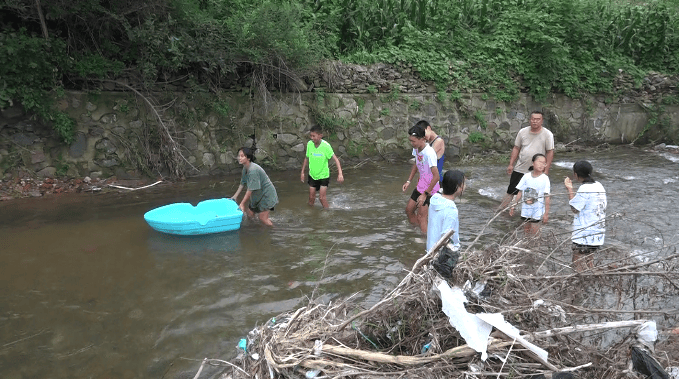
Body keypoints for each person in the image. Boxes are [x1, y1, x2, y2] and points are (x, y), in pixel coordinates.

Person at [500, 111, 554, 213]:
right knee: (511, 191)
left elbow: (550, 152)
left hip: (537, 170)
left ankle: (532, 215)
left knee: (535, 194)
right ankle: (502, 211)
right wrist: (511, 164)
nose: (535, 121)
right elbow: (516, 148)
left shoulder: (547, 134)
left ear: (542, 121)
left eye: (538, 119)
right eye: (533, 119)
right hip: (520, 167)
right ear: (530, 120)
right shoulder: (522, 132)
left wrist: (546, 170)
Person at [564, 160, 607, 272]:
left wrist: (569, 189)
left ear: (576, 174)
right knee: (589, 263)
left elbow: (575, 209)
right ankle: (590, 284)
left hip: (584, 233)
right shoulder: (599, 185)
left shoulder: (584, 188)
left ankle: (579, 286)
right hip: (597, 232)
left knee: (577, 264)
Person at [402, 124, 440, 234]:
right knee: (409, 210)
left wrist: (425, 194)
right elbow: (416, 163)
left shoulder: (429, 153)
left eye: (413, 141)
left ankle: (426, 244)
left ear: (422, 139)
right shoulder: (416, 149)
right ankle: (418, 233)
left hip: (430, 190)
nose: (411, 143)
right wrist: (409, 181)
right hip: (420, 186)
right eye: (410, 141)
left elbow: (436, 176)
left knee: (421, 217)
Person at [231, 147, 278, 226]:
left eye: (242, 156)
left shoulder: (253, 170)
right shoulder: (245, 168)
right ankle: (255, 228)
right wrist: (235, 196)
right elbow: (242, 183)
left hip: (267, 195)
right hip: (257, 195)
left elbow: (250, 190)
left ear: (248, 158)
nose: (239, 158)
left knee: (262, 218)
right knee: (250, 213)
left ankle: (274, 230)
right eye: (239, 156)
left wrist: (242, 203)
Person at [300, 125, 344, 208]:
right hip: (312, 175)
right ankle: (310, 213)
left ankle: (327, 213)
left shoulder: (326, 146)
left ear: (320, 136)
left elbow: (336, 160)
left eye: (314, 136)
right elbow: (306, 158)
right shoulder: (310, 144)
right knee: (311, 198)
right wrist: (302, 172)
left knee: (321, 198)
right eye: (311, 136)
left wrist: (340, 174)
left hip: (323, 176)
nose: (312, 138)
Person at [510, 153, 551, 237]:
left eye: (544, 163)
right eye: (539, 162)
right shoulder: (526, 176)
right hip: (525, 211)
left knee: (535, 235)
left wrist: (546, 214)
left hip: (537, 212)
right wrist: (513, 206)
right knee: (526, 234)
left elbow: (547, 197)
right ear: (533, 163)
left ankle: (535, 249)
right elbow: (520, 192)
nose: (542, 165)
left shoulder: (545, 178)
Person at [426, 170, 465, 252]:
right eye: (463, 184)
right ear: (457, 187)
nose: (465, 187)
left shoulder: (435, 199)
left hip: (430, 249)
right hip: (443, 256)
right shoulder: (451, 209)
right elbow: (446, 237)